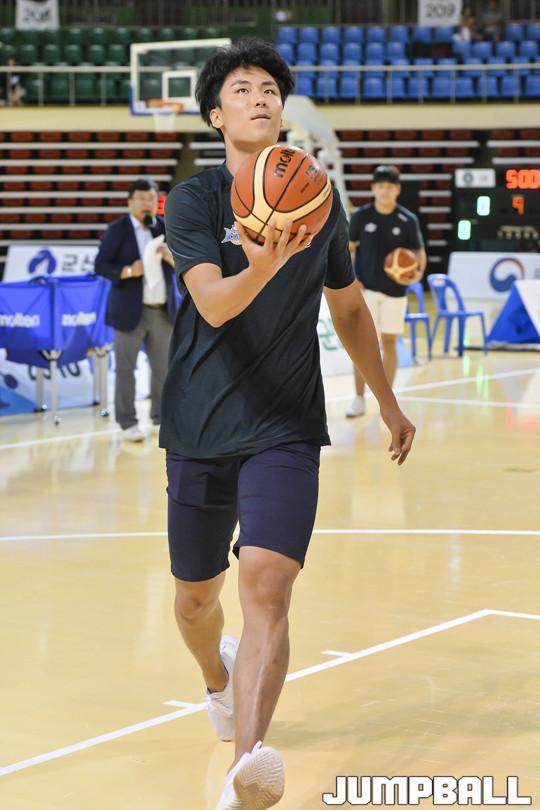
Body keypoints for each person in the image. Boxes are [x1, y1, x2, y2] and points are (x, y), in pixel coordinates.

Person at [161, 40, 416, 810]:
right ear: (216, 115)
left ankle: (248, 766)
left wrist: (387, 399)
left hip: (286, 421)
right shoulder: (195, 201)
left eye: (270, 88)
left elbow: (349, 309)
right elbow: (213, 304)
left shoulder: (318, 201)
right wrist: (267, 262)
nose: (260, 98)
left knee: (268, 583)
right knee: (195, 600)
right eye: (242, 89)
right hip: (201, 421)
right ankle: (216, 676)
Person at [95, 178, 177, 441]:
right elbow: (101, 266)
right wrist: (129, 271)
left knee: (163, 369)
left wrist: (171, 258)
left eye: (151, 198)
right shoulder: (117, 230)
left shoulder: (164, 227)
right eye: (141, 198)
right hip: (129, 311)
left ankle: (160, 418)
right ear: (130, 202)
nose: (147, 203)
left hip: (161, 309)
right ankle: (127, 421)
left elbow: (184, 264)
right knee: (125, 370)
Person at [346, 165, 427, 418]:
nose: (385, 191)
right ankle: (358, 397)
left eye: (390, 187)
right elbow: (348, 248)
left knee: (390, 343)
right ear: (373, 188)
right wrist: (351, 278)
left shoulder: (407, 219)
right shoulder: (361, 216)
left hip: (395, 291)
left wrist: (418, 272)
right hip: (367, 290)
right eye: (380, 186)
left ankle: (387, 402)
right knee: (362, 345)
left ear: (397, 190)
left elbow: (419, 251)